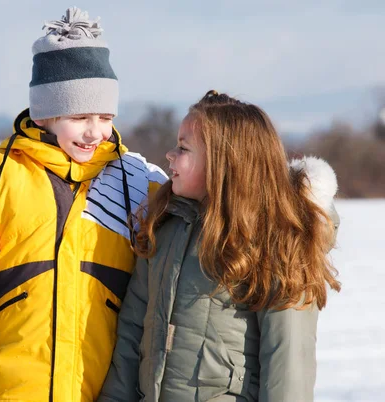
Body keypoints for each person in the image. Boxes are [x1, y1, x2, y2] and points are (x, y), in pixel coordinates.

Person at [0, 7, 167, 402]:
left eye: (105, 116)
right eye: (80, 115)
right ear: (47, 113)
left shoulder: (140, 183)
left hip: (110, 391)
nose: (95, 132)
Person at [98, 90, 341, 402]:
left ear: (224, 162)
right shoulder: (165, 227)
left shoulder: (276, 243)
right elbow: (131, 336)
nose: (170, 155)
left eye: (183, 148)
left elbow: (288, 359)